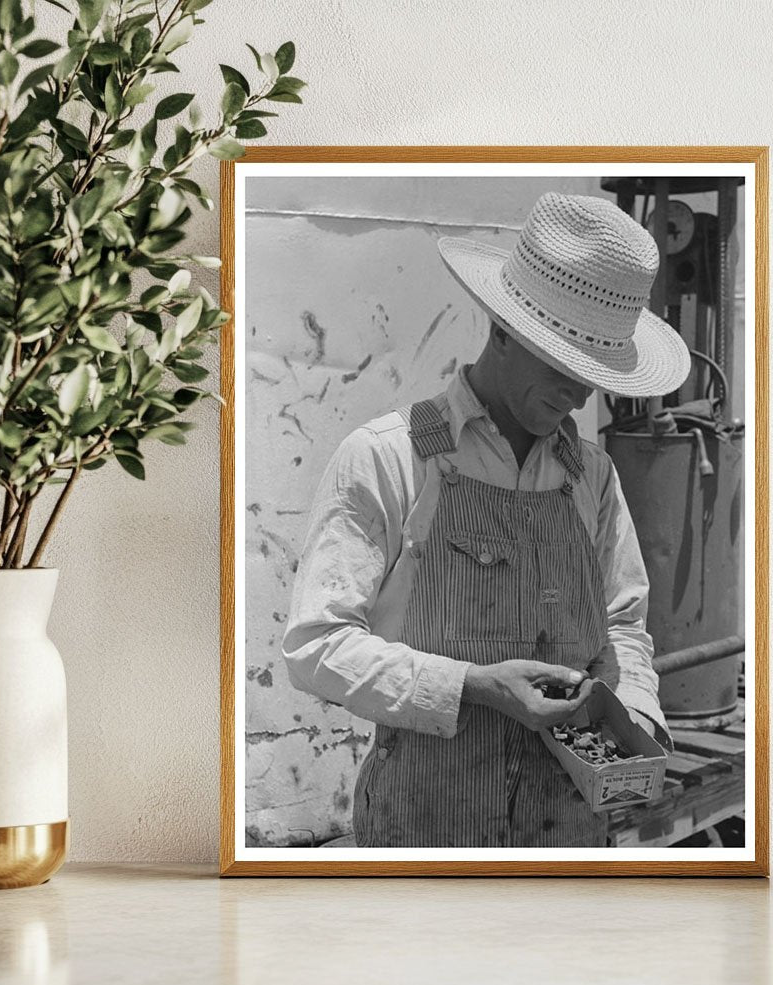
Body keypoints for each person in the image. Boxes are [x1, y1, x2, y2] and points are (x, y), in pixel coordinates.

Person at [281, 190, 690, 848]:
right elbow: (316, 647)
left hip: (566, 834)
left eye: (593, 375)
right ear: (501, 329)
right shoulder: (388, 458)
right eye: (562, 366)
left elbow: (622, 628)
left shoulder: (593, 477)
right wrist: (471, 685)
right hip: (424, 832)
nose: (578, 394)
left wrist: (633, 720)